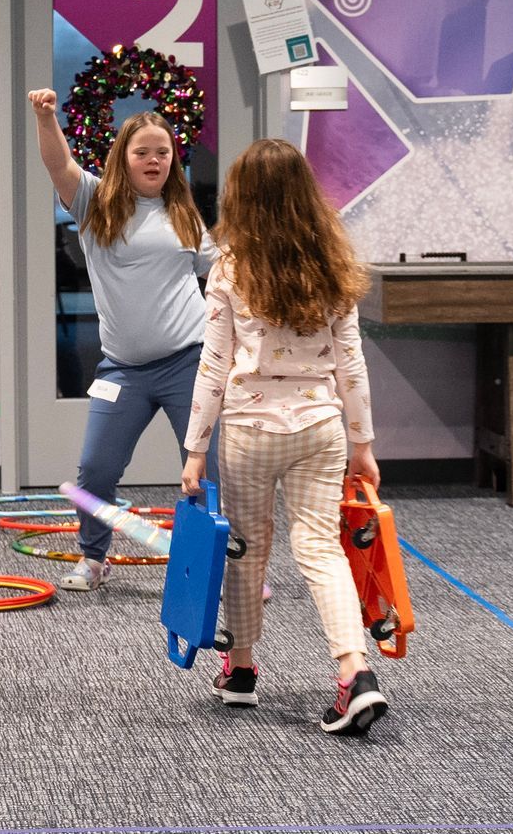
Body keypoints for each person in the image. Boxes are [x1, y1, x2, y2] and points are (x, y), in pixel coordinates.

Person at [180, 137, 386, 735]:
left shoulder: (229, 268)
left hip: (249, 430)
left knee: (246, 549)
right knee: (321, 548)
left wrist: (195, 450)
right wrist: (364, 445)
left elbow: (213, 366)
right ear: (306, 195)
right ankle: (355, 673)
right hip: (321, 429)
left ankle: (240, 669)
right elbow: (352, 363)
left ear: (240, 198)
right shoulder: (333, 266)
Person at [28, 88, 216, 592]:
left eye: (163, 152)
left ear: (173, 160)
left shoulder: (184, 213)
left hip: (189, 362)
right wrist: (46, 117)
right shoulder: (96, 202)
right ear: (123, 159)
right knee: (95, 469)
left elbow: (221, 276)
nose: (154, 160)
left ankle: (208, 569)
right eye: (142, 152)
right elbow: (57, 162)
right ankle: (93, 560)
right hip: (123, 368)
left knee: (203, 473)